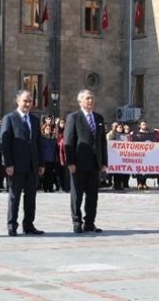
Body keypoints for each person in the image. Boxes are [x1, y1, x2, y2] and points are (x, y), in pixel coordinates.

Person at [0, 89, 45, 236]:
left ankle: (29, 225)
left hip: (32, 165)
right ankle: (12, 225)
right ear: (17, 101)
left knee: (31, 197)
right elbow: (5, 143)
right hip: (16, 165)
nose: (27, 104)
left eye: (30, 101)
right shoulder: (9, 118)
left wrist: (41, 163)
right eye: (25, 101)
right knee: (15, 196)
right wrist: (8, 164)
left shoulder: (34, 120)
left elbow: (39, 143)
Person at [64, 89, 108, 233]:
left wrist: (104, 162)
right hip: (78, 163)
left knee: (93, 195)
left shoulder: (99, 118)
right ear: (80, 101)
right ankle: (77, 221)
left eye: (92, 98)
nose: (90, 101)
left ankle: (90, 222)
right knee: (77, 194)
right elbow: (69, 140)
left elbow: (102, 142)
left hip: (95, 163)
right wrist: (70, 162)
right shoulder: (73, 117)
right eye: (88, 98)